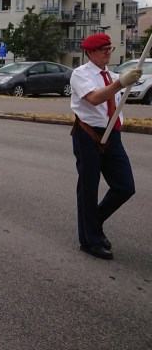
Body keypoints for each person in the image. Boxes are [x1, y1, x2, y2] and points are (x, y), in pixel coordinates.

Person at [70, 33, 141, 260]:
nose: (108, 52)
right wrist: (121, 83)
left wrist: (123, 81)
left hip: (113, 135)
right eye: (103, 49)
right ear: (90, 53)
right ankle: (89, 240)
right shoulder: (81, 74)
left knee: (125, 187)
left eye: (110, 48)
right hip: (88, 135)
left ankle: (94, 220)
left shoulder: (112, 75)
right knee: (89, 188)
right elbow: (94, 98)